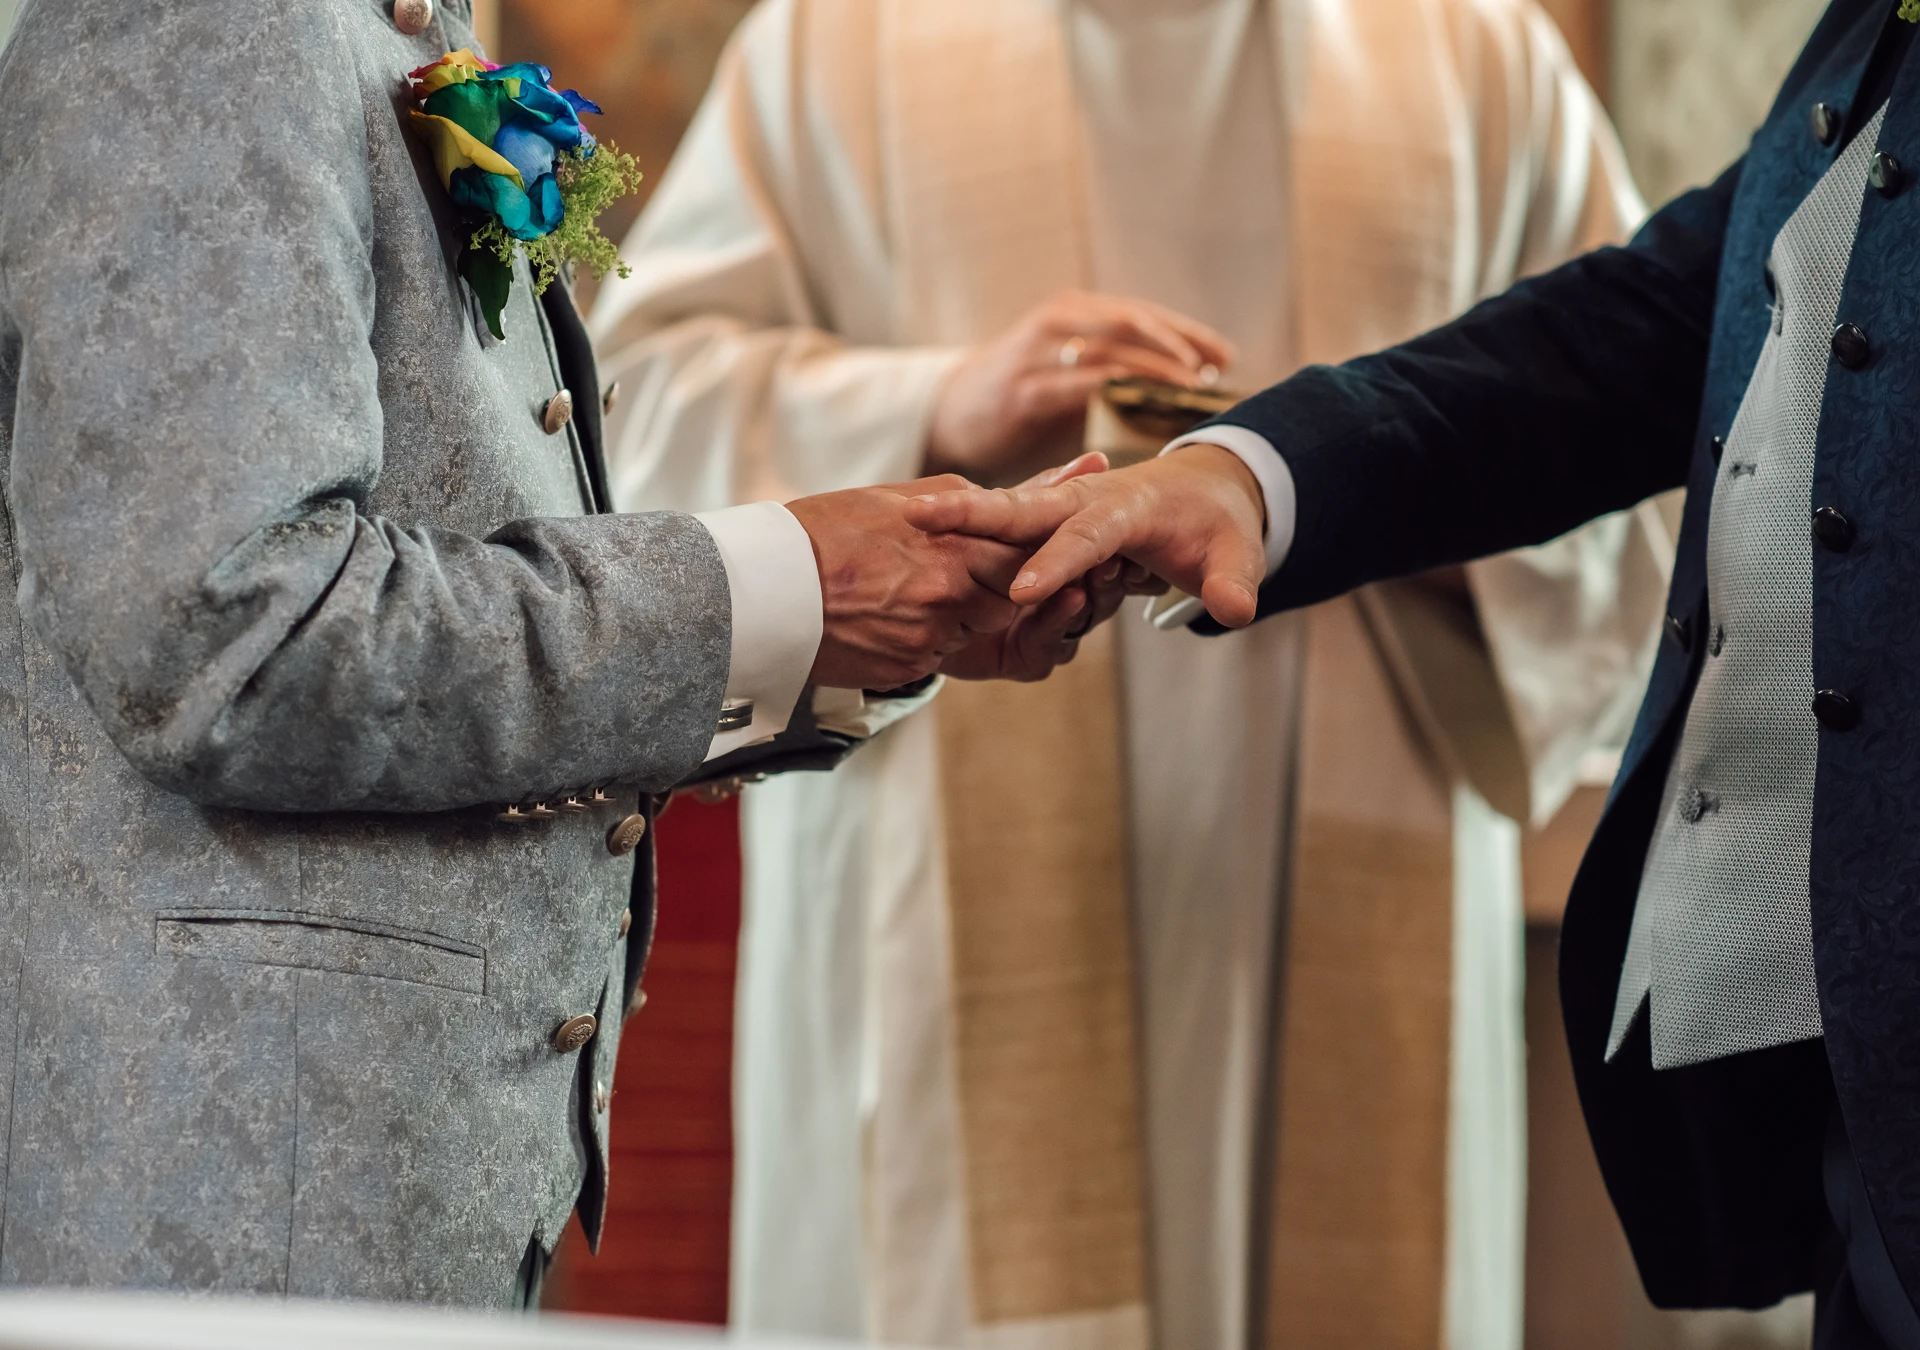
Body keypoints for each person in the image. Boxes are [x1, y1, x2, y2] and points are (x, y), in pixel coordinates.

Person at [908, 0, 1920, 1344]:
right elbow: (1660, 316)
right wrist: (1247, 478)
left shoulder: (1457, 40)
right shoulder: (1881, 27)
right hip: (1888, 1097)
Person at [588, 1, 1669, 1345]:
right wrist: (940, 403)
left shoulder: (1466, 48)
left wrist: (1353, 492)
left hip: (1359, 792)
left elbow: (1646, 416)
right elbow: (630, 400)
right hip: (943, 835)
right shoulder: (838, 41)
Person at [0, 0, 1112, 1305]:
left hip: (374, 1197)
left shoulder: (384, 26)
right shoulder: (207, 20)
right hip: (227, 1211)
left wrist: (827, 623)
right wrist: (763, 589)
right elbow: (235, 639)